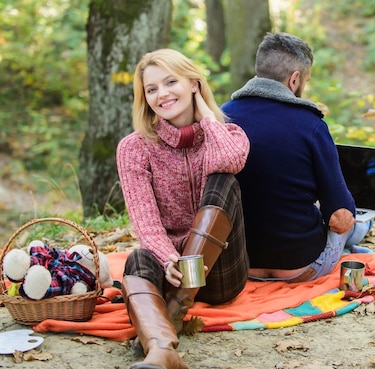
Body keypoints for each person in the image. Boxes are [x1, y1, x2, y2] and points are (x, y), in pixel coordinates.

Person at [116, 48, 250, 369]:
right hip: (172, 273)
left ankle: (176, 308)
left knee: (223, 180)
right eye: (151, 89)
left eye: (171, 82)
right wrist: (168, 259)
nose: (161, 94)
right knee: (138, 257)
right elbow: (145, 223)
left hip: (218, 272)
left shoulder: (228, 134)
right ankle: (162, 350)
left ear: (193, 83)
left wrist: (207, 118)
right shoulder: (135, 148)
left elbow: (231, 161)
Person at [221, 32, 375, 284]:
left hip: (240, 266)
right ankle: (362, 233)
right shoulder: (310, 124)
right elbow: (339, 218)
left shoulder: (220, 118)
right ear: (294, 79)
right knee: (354, 222)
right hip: (301, 268)